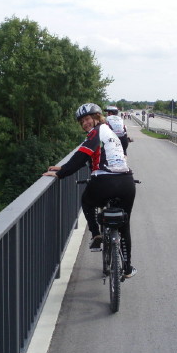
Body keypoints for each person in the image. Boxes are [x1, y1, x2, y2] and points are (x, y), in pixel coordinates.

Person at [43, 103, 137, 278]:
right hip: (126, 182)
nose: (85, 123)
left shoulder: (97, 132)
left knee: (87, 201)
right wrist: (63, 167)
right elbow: (90, 156)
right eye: (82, 122)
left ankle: (95, 233)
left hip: (104, 181)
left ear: (96, 118)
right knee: (124, 225)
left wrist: (61, 173)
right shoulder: (111, 133)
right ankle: (127, 268)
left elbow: (81, 157)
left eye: (87, 119)